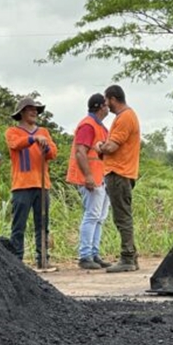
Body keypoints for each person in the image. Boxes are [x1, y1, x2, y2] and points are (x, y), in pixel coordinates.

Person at [4, 96, 59, 270]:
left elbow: (53, 153)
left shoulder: (44, 132)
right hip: (21, 185)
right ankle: (16, 260)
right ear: (22, 113)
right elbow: (15, 144)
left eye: (36, 110)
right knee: (19, 224)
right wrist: (32, 140)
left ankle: (43, 258)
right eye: (30, 109)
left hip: (42, 184)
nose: (34, 112)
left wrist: (46, 147)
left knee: (42, 224)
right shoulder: (12, 131)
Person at [95, 85, 141, 273]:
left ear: (113, 99)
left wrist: (99, 146)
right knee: (122, 215)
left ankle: (127, 257)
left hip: (119, 172)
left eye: (106, 100)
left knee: (122, 217)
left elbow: (111, 147)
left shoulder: (124, 118)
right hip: (122, 172)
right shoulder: (126, 116)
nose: (105, 105)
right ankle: (131, 255)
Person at [67, 93, 112, 270]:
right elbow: (80, 152)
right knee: (92, 215)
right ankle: (85, 255)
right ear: (100, 107)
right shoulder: (88, 125)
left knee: (99, 217)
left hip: (100, 177)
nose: (108, 107)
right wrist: (88, 176)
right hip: (91, 178)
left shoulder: (100, 126)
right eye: (106, 105)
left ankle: (94, 253)